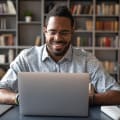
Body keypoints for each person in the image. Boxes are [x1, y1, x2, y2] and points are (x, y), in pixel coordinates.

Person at [0, 5, 120, 106]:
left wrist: (87, 100)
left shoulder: (87, 60)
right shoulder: (26, 58)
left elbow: (117, 94)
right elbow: (1, 91)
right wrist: (20, 99)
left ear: (72, 31)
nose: (57, 38)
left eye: (64, 32)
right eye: (52, 32)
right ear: (45, 31)